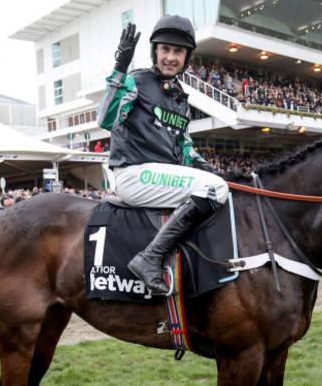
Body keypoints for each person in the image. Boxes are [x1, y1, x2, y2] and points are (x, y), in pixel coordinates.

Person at [97, 16, 229, 296]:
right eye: (165, 49)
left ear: (186, 57)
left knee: (217, 183)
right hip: (134, 174)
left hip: (162, 178)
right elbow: (105, 119)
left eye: (178, 51)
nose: (170, 57)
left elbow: (184, 146)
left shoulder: (180, 97)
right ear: (154, 52)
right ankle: (149, 258)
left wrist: (205, 165)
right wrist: (120, 68)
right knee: (214, 189)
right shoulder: (136, 81)